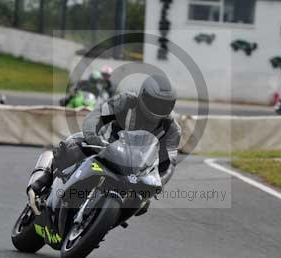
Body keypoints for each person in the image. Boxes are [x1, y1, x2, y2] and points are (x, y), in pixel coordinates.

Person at [28, 74, 181, 207]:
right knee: (73, 144)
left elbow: (169, 164)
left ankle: (95, 227)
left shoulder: (172, 128)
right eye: (155, 102)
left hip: (136, 170)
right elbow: (95, 117)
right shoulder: (126, 101)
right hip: (105, 148)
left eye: (165, 105)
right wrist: (96, 139)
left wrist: (158, 183)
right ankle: (43, 180)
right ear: (143, 95)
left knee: (142, 203)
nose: (159, 108)